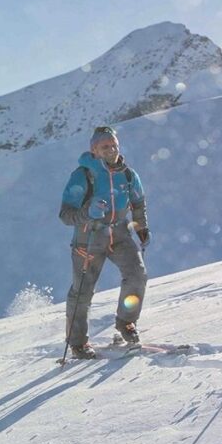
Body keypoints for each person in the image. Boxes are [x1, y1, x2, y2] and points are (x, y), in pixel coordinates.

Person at [59, 126, 150, 358]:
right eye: (105, 146)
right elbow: (65, 215)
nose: (111, 150)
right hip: (88, 238)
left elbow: (138, 202)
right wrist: (88, 212)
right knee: (82, 291)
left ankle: (126, 322)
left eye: (114, 145)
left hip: (119, 234)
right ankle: (78, 343)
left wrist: (141, 226)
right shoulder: (83, 175)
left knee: (137, 275)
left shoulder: (129, 175)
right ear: (94, 149)